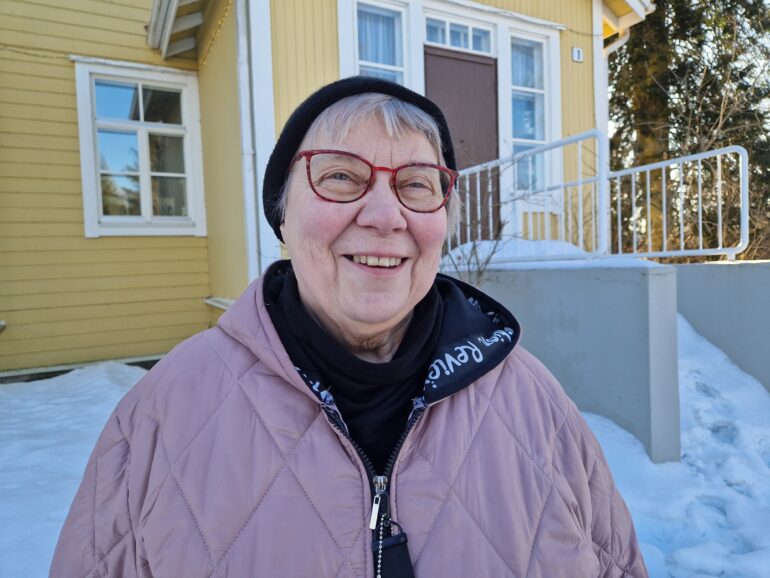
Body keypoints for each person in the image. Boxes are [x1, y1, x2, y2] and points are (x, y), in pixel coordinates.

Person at [51, 77, 648, 578]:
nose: (386, 216)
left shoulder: (537, 403)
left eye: (416, 184)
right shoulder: (162, 413)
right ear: (284, 214)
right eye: (340, 176)